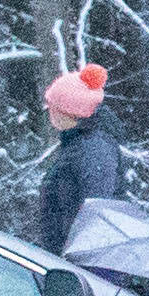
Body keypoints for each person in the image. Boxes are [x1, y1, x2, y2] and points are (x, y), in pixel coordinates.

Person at [33, 62, 138, 261]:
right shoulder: (78, 144)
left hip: (83, 264)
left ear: (70, 113)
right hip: (69, 258)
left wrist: (74, 257)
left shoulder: (93, 149)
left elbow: (97, 213)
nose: (50, 112)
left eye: (54, 107)